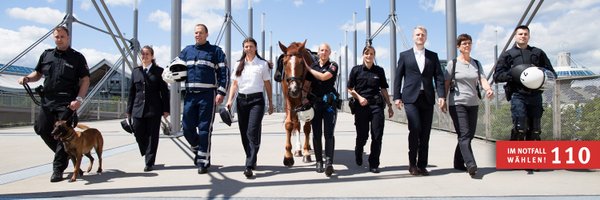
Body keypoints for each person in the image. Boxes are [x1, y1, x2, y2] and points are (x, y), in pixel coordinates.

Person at [17, 26, 90, 182]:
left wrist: (79, 100)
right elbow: (38, 73)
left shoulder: (77, 57)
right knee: (42, 129)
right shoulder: (47, 55)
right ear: (53, 38)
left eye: (62, 36)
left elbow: (85, 80)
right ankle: (67, 155)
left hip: (67, 104)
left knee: (63, 134)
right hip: (48, 101)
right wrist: (27, 79)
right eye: (57, 36)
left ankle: (57, 169)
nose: (59, 39)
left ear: (68, 37)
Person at [393, 26, 445, 176]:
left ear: (426, 37)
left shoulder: (432, 56)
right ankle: (412, 164)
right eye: (417, 34)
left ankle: (422, 165)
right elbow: (398, 77)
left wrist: (441, 96)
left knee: (425, 133)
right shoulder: (405, 55)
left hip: (427, 98)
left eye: (422, 34)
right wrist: (397, 96)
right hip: (410, 98)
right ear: (413, 37)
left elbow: (439, 77)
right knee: (415, 129)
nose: (420, 36)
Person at [179, 24, 229, 174]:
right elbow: (175, 67)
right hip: (189, 95)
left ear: (207, 34)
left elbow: (224, 73)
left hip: (207, 95)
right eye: (195, 32)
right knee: (186, 128)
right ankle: (197, 148)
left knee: (204, 129)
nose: (197, 35)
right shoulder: (187, 51)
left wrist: (221, 92)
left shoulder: (216, 51)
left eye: (200, 33)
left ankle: (203, 161)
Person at [441, 34, 494, 177]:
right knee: (464, 134)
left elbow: (482, 78)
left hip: (473, 103)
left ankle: (458, 163)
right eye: (464, 43)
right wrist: (443, 99)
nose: (467, 46)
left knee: (468, 135)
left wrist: (488, 89)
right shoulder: (453, 63)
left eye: (469, 43)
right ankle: (470, 164)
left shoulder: (476, 63)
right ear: (458, 47)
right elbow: (446, 82)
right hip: (457, 103)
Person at [494, 25, 556, 141]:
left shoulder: (538, 53)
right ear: (515, 36)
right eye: (520, 34)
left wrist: (541, 76)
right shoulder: (508, 55)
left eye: (525, 34)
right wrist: (514, 74)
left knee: (535, 131)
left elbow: (552, 73)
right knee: (520, 128)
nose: (523, 36)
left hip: (536, 95)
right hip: (518, 95)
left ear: (529, 36)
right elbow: (497, 76)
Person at [225, 37, 274, 178]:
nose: (248, 49)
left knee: (252, 131)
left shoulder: (262, 64)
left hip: (257, 101)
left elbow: (267, 85)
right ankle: (251, 156)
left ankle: (248, 164)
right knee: (244, 132)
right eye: (246, 46)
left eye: (251, 46)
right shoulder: (239, 64)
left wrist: (270, 102)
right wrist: (229, 101)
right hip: (241, 101)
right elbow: (234, 84)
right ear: (243, 48)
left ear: (256, 48)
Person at [347, 45, 394, 174]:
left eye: (372, 54)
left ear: (374, 56)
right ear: (363, 55)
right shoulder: (356, 70)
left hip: (376, 106)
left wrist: (389, 106)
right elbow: (350, 88)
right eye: (367, 53)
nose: (369, 56)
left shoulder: (379, 71)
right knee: (363, 135)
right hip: (361, 107)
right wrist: (359, 98)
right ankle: (358, 149)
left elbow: (383, 89)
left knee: (377, 136)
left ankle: (374, 163)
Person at [126, 45, 170, 172]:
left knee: (152, 136)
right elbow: (131, 92)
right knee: (138, 131)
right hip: (138, 108)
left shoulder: (159, 71)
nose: (144, 56)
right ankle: (147, 151)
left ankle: (149, 162)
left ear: (152, 56)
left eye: (147, 54)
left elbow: (164, 92)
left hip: (154, 109)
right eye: (143, 54)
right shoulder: (136, 71)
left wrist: (166, 109)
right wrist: (128, 110)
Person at [303, 43, 339, 177]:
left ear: (330, 53)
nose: (324, 52)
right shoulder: (313, 66)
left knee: (329, 134)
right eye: (321, 50)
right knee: (316, 134)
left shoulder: (333, 65)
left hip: (329, 104)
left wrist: (308, 69)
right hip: (315, 104)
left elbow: (324, 77)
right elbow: (307, 84)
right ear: (318, 52)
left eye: (326, 50)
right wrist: (304, 99)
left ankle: (329, 162)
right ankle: (319, 161)